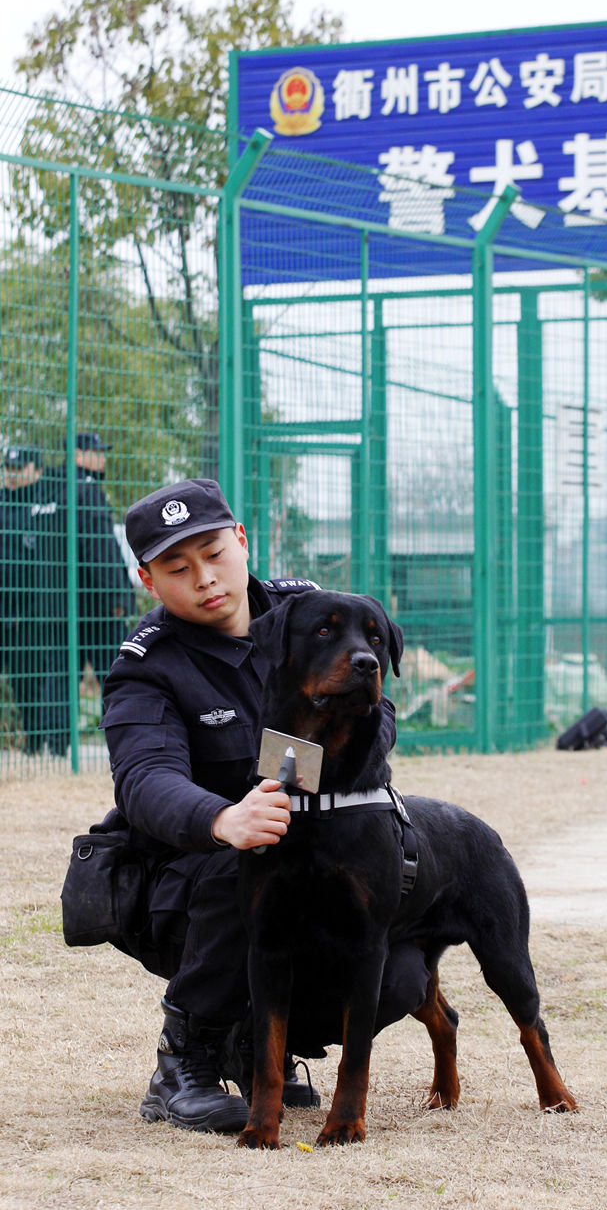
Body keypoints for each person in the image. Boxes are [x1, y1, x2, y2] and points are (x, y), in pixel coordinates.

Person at [95, 478, 429, 1134]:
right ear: (147, 579)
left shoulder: (312, 613)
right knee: (250, 860)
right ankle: (182, 1064)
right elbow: (144, 778)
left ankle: (260, 1046)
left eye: (215, 553)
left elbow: (377, 708)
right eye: (177, 567)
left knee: (402, 971)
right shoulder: (147, 665)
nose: (206, 579)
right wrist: (224, 819)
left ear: (242, 541)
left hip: (305, 845)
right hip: (184, 878)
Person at [0, 444, 69, 756]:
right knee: (20, 679)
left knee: (37, 677)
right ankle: (31, 739)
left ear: (37, 471)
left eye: (19, 469)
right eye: (8, 469)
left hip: (34, 609)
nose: (11, 475)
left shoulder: (47, 505)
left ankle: (46, 742)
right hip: (6, 608)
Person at [55, 431, 136, 687]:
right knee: (121, 679)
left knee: (63, 680)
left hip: (60, 605)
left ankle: (61, 729)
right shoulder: (87, 490)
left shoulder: (52, 489)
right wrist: (116, 596)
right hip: (97, 605)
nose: (102, 458)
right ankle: (123, 727)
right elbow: (101, 550)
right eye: (96, 452)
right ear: (77, 455)